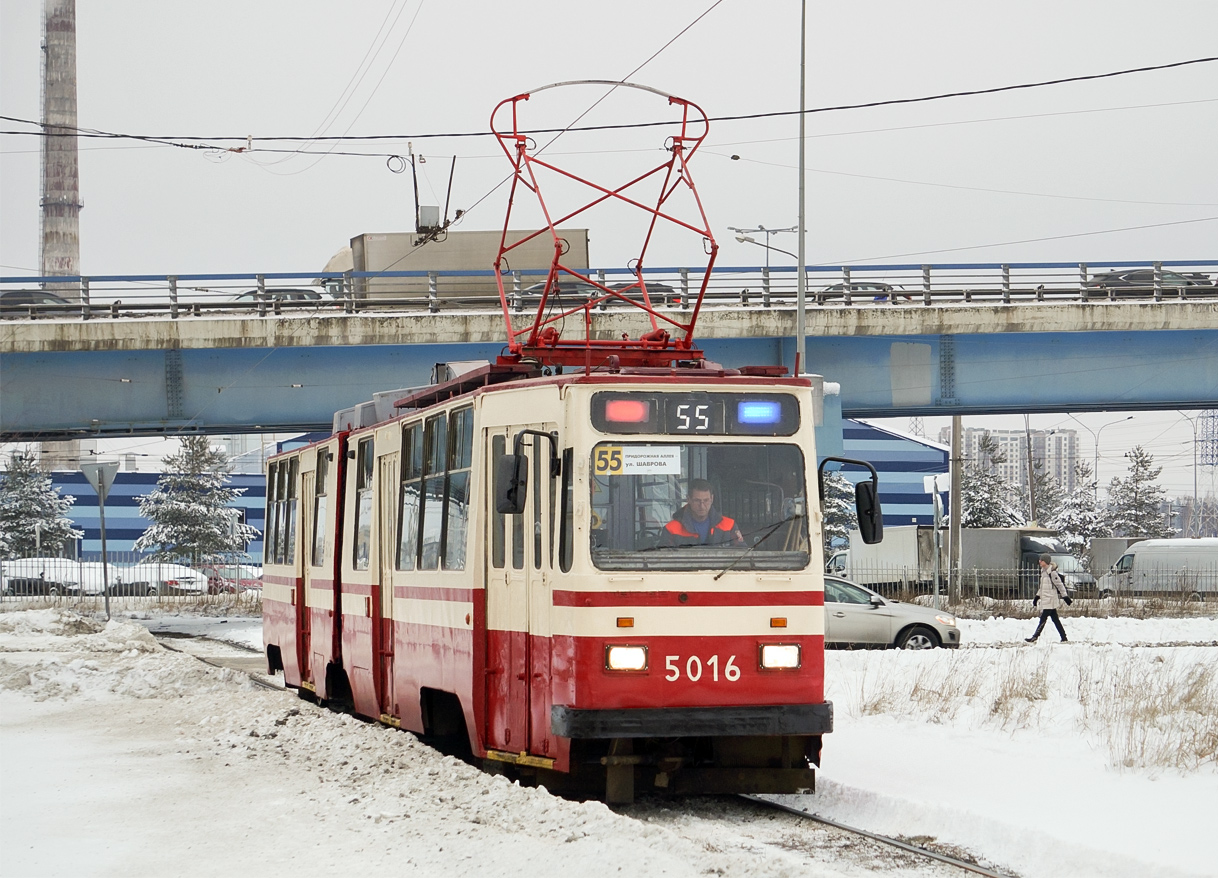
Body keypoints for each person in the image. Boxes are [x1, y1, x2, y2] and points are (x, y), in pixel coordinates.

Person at [661, 479, 744, 547]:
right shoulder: (671, 529)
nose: (702, 505)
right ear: (688, 499)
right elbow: (662, 560)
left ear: (712, 498)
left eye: (706, 500)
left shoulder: (729, 525)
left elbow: (743, 555)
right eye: (697, 500)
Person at [1026, 553, 1072, 643]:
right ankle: (1064, 637)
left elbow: (1060, 585)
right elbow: (1042, 587)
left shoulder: (1052, 573)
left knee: (1043, 619)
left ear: (1046, 562)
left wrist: (1065, 596)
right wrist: (1037, 597)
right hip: (1046, 599)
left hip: (1050, 599)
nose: (1039, 561)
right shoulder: (1043, 572)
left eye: (1041, 560)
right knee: (1055, 620)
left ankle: (1035, 636)